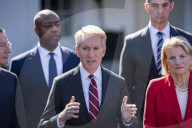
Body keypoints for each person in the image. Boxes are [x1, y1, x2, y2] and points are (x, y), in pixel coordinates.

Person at [38, 25, 138, 128]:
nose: (91, 54)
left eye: (96, 48)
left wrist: (127, 120)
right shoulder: (61, 83)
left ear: (103, 51)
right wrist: (61, 117)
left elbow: (133, 124)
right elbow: (42, 125)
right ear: (77, 51)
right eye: (86, 48)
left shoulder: (118, 83)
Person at [119, 0, 192, 127]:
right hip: (141, 118)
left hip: (182, 113)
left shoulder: (188, 39)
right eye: (155, 6)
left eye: (164, 5)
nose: (160, 11)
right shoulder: (131, 42)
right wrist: (129, 120)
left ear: (171, 6)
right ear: (147, 7)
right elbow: (125, 85)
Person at [9, 9, 80, 128]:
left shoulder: (76, 60)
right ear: (36, 30)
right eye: (48, 26)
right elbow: (13, 107)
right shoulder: (19, 63)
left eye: (57, 24)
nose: (55, 29)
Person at [143, 36, 192, 127]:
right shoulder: (155, 87)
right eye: (172, 58)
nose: (177, 62)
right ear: (166, 62)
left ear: (191, 58)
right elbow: (149, 125)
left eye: (182, 56)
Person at [0, 28, 26, 128]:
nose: (9, 50)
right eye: (2, 45)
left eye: (8, 44)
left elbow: (19, 123)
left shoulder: (11, 80)